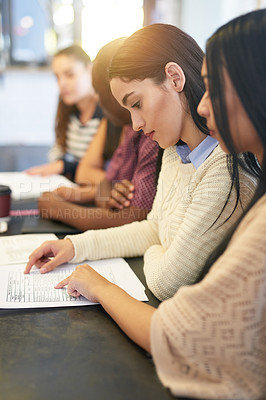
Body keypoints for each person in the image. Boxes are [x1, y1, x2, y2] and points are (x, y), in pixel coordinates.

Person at [25, 23, 257, 302]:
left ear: (174, 78)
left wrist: (154, 246)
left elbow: (166, 282)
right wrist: (74, 246)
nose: (135, 124)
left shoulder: (224, 168)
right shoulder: (173, 149)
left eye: (136, 104)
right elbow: (151, 227)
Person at [37, 38, 159, 231]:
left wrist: (60, 209)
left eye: (101, 95)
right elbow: (105, 187)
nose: (100, 103)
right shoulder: (129, 130)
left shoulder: (151, 135)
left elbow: (135, 216)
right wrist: (106, 194)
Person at [26, 44, 105, 182]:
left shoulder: (105, 112)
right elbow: (58, 148)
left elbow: (103, 168)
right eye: (57, 77)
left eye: (70, 75)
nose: (61, 83)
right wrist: (59, 164)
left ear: (90, 70)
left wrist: (64, 166)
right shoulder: (68, 108)